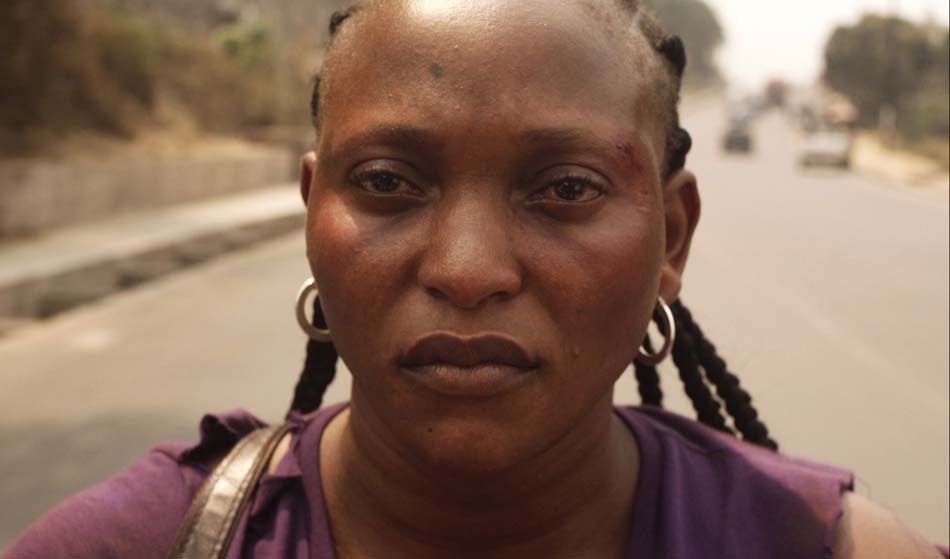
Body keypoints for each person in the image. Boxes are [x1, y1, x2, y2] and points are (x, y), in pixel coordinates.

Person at [7, 1, 948, 558]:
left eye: (566, 189)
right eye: (387, 182)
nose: (467, 271)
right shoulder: (129, 545)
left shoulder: (831, 547)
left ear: (672, 237)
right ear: (312, 213)